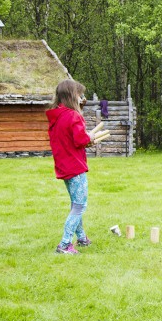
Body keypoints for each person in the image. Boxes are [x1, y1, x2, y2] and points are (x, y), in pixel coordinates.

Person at [47, 79, 97, 254]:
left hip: (64, 166)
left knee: (76, 203)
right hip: (75, 167)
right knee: (79, 206)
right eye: (78, 94)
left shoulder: (57, 116)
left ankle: (82, 238)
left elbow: (67, 140)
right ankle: (65, 244)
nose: (81, 97)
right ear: (71, 96)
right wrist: (89, 137)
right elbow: (80, 139)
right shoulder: (73, 116)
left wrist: (85, 138)